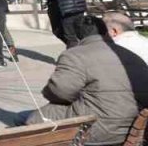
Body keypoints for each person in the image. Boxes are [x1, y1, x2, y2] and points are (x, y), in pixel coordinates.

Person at [21, 17, 148, 145]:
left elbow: (60, 91)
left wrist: (53, 93)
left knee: (27, 118)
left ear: (77, 37)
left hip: (96, 130)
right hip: (133, 126)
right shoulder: (130, 55)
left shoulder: (74, 55)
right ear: (106, 33)